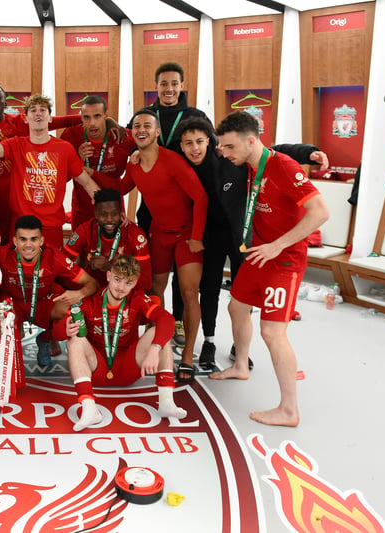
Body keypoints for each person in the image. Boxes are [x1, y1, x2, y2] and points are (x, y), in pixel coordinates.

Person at [176, 116, 330, 369]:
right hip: (211, 235)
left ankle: (240, 348)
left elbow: (273, 151)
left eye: (200, 142)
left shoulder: (230, 154)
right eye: (188, 143)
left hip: (242, 235)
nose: (195, 148)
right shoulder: (187, 162)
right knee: (212, 291)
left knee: (243, 299)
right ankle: (210, 340)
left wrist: (309, 152)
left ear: (210, 142)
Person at [209, 111, 329, 427]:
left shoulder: (284, 168)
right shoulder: (249, 164)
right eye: (222, 147)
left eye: (230, 147)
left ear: (251, 141)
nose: (224, 153)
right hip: (259, 253)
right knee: (236, 307)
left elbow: (320, 213)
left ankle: (289, 410)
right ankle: (241, 366)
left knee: (272, 332)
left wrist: (278, 245)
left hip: (284, 260)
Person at [121, 108, 207, 383]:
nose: (141, 129)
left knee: (189, 292)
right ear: (132, 132)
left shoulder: (173, 161)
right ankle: (153, 347)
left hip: (185, 237)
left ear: (157, 132)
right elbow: (120, 187)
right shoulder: (134, 164)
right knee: (154, 290)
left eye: (147, 125)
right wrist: (86, 174)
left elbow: (201, 198)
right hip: (159, 235)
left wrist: (196, 236)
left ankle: (188, 356)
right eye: (137, 125)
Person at [54, 255, 187, 431]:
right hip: (97, 369)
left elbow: (167, 320)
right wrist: (65, 328)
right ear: (108, 276)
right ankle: (89, 408)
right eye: (117, 280)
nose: (121, 287)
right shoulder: (91, 301)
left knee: (158, 334)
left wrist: (155, 350)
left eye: (128, 283)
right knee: (74, 340)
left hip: (128, 368)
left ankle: (166, 402)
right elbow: (56, 331)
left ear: (135, 283)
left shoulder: (137, 298)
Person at [0, 94, 101, 249]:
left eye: (43, 110)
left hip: (51, 228)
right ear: (26, 119)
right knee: (17, 271)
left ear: (50, 118)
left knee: (50, 273)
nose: (38, 113)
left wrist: (106, 203)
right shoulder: (16, 145)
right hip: (21, 225)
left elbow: (86, 182)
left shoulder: (65, 148)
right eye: (33, 110)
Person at [136, 62, 213, 349]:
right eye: (164, 84)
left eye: (174, 83)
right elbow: (133, 140)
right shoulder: (145, 115)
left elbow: (209, 150)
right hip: (153, 210)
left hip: (186, 207)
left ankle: (179, 320)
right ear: (155, 86)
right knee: (155, 275)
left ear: (182, 85)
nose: (169, 89)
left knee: (186, 280)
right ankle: (155, 321)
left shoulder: (194, 116)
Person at [0, 215, 99, 367]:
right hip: (14, 304)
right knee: (0, 316)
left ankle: (46, 338)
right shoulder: (2, 253)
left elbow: (92, 283)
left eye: (33, 239)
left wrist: (78, 294)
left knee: (72, 310)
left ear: (42, 241)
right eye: (23, 239)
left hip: (44, 302)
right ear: (14, 241)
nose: (28, 245)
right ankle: (11, 350)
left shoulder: (54, 257)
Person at [60, 95, 136, 228]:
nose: (92, 123)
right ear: (81, 118)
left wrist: (139, 152)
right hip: (82, 210)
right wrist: (77, 160)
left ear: (106, 116)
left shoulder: (121, 136)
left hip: (113, 208)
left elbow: (150, 144)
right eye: (87, 117)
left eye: (97, 116)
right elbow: (61, 177)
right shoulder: (71, 136)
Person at [63, 188, 151, 293]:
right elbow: (61, 266)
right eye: (103, 215)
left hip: (123, 293)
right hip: (92, 289)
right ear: (95, 214)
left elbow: (146, 283)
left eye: (114, 214)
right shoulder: (85, 230)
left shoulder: (135, 235)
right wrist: (86, 285)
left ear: (121, 213)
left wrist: (112, 268)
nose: (109, 219)